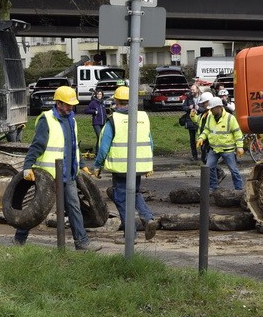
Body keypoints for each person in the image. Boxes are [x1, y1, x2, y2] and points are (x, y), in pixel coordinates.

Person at [13, 86, 101, 251]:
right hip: (49, 176)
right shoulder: (46, 120)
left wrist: (82, 165)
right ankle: (19, 239)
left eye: (72, 105)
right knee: (37, 208)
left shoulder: (72, 120)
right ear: (58, 103)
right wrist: (27, 166)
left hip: (68, 175)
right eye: (67, 104)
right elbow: (36, 146)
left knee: (74, 207)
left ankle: (82, 243)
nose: (70, 107)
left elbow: (74, 147)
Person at [93, 86, 158, 240]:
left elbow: (103, 148)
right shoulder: (142, 117)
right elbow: (150, 143)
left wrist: (97, 166)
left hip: (121, 167)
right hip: (139, 165)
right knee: (135, 192)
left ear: (116, 101)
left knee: (121, 198)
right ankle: (148, 218)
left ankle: (130, 234)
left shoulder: (113, 120)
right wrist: (149, 165)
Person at [197, 96, 245, 192]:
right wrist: (201, 138)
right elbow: (206, 129)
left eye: (212, 109)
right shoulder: (210, 117)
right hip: (214, 148)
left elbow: (237, 133)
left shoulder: (230, 118)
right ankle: (213, 186)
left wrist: (240, 147)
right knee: (209, 167)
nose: (210, 110)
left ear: (218, 107)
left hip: (227, 150)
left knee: (233, 170)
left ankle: (239, 189)